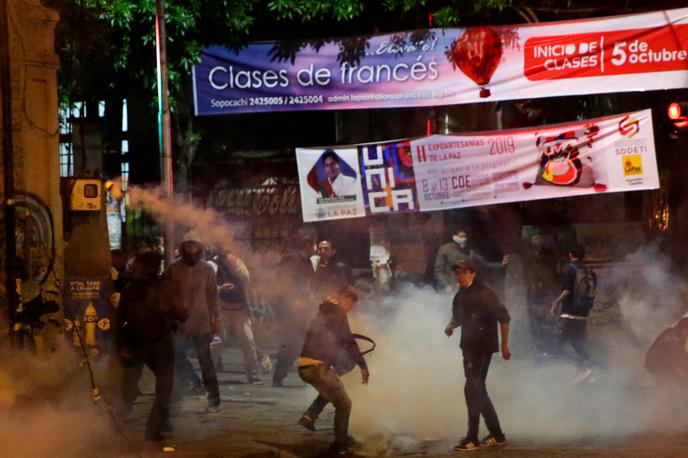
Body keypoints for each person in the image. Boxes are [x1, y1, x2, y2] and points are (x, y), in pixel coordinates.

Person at [115, 251, 185, 441]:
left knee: (128, 390)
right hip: (158, 344)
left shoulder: (130, 288)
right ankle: (153, 429)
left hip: (135, 344)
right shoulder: (162, 288)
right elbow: (182, 312)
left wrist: (121, 345)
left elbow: (120, 319)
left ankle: (115, 425)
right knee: (164, 389)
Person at [444, 259, 511, 452]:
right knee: (476, 389)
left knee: (473, 389)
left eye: (464, 272)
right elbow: (458, 317)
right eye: (457, 272)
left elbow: (504, 318)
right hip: (468, 347)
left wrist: (505, 346)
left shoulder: (485, 293)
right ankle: (496, 434)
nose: (460, 276)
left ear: (473, 273)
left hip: (483, 347)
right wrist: (451, 326)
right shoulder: (459, 295)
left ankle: (472, 438)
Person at [297, 286, 369, 456]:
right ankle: (341, 447)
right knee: (344, 404)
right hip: (317, 368)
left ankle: (309, 416)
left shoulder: (324, 310)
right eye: (351, 304)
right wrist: (363, 366)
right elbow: (348, 340)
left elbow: (334, 340)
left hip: (304, 366)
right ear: (345, 298)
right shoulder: (338, 312)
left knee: (331, 387)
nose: (350, 308)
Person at [163, 230, 222, 413]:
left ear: (199, 247)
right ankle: (187, 388)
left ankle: (214, 400)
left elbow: (213, 296)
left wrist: (216, 319)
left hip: (201, 323)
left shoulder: (207, 269)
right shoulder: (173, 269)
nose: (190, 248)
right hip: (179, 324)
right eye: (187, 245)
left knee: (206, 362)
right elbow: (165, 293)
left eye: (193, 244)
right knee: (176, 359)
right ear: (182, 247)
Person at [272, 231, 316, 387]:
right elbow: (284, 283)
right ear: (307, 245)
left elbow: (310, 281)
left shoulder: (307, 261)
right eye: (313, 245)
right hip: (290, 307)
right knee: (290, 342)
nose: (314, 249)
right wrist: (293, 300)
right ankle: (279, 376)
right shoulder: (291, 259)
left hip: (303, 307)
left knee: (302, 342)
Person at [214, 250, 264, 384]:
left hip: (240, 309)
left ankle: (253, 374)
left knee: (248, 341)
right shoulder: (214, 265)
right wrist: (221, 288)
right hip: (223, 308)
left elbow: (247, 283)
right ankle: (209, 373)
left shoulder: (240, 266)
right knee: (218, 342)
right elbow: (210, 286)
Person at [550, 243, 596, 384]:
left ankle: (583, 368)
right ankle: (586, 371)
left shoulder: (569, 269)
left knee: (558, 342)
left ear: (571, 254)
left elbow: (567, 290)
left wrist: (555, 303)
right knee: (578, 342)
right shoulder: (590, 271)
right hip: (583, 312)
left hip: (569, 312)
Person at [434, 229, 510, 294]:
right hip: (449, 288)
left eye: (465, 236)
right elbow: (438, 271)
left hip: (465, 288)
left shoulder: (470, 252)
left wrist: (500, 264)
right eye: (461, 236)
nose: (463, 239)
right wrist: (446, 285)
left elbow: (485, 264)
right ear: (455, 237)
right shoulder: (445, 249)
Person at [645, 317, 688, 387]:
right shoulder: (673, 339)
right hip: (657, 365)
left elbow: (681, 353)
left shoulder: (677, 333)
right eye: (687, 330)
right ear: (682, 328)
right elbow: (678, 359)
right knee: (672, 386)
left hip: (663, 362)